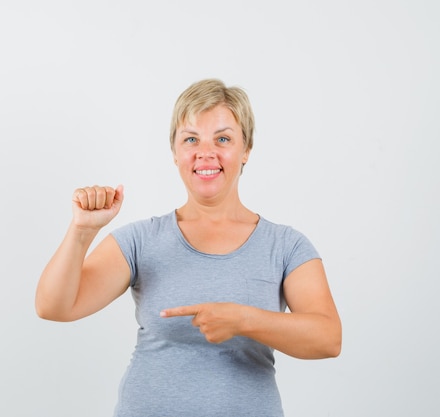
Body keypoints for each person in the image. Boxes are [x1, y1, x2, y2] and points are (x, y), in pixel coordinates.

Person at [35, 78, 342, 417]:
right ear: (175, 153)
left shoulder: (286, 245)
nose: (205, 152)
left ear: (246, 150)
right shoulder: (141, 240)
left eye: (223, 139)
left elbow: (328, 338)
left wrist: (243, 319)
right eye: (191, 139)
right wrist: (81, 231)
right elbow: (54, 307)